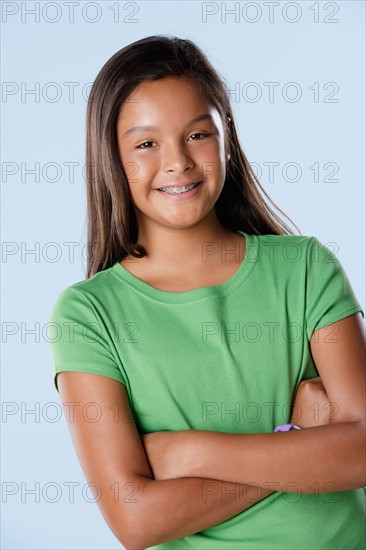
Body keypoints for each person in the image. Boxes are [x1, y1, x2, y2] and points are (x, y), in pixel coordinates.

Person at [49, 35, 366, 549]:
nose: (177, 162)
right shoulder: (88, 314)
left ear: (226, 137)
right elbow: (137, 522)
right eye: (146, 143)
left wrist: (193, 452)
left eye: (197, 135)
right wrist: (298, 439)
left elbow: (361, 451)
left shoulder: (304, 267)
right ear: (112, 156)